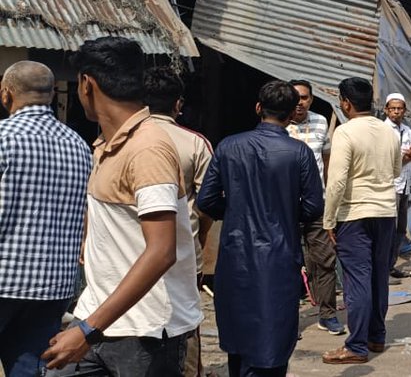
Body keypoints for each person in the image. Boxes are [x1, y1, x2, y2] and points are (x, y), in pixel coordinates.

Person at [44, 37, 201, 376]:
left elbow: (162, 251)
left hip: (144, 332)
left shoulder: (148, 148)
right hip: (101, 319)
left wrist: (87, 330)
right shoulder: (106, 141)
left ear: (87, 84)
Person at [196, 81, 324, 377]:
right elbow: (314, 206)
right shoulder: (299, 152)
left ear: (257, 108)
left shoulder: (229, 146)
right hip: (280, 256)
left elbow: (206, 200)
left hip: (236, 257)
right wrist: (286, 214)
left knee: (239, 342)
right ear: (293, 113)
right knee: (273, 340)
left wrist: (235, 212)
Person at [0, 62, 91, 377]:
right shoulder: (79, 146)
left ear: (6, 94)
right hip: (53, 286)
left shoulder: (3, 138)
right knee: (29, 369)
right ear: (53, 94)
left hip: (4, 279)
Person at [322, 78, 404, 365]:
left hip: (354, 215)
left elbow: (336, 182)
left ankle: (356, 345)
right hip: (385, 213)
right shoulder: (389, 132)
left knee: (357, 281)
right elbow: (395, 171)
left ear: (345, 102)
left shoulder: (345, 133)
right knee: (379, 276)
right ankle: (376, 336)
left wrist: (328, 220)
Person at [143, 66, 212, 377]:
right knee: (186, 318)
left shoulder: (118, 140)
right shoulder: (194, 143)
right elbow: (208, 202)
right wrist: (201, 239)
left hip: (134, 252)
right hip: (183, 252)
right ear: (178, 104)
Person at [285, 80, 344, 336]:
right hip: (285, 207)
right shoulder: (278, 125)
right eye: (296, 97)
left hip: (317, 205)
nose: (300, 102)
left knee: (325, 261)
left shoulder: (320, 122)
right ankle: (288, 320)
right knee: (286, 264)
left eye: (305, 97)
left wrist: (331, 200)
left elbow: (328, 162)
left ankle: (328, 314)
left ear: (311, 99)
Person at [383, 93, 411, 275]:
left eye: (399, 109)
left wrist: (409, 156)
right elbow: (389, 162)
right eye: (392, 108)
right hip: (389, 187)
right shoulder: (383, 131)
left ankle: (390, 265)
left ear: (404, 111)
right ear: (386, 110)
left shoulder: (406, 130)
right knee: (388, 231)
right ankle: (383, 267)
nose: (396, 112)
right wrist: (408, 156)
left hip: (404, 186)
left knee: (400, 229)